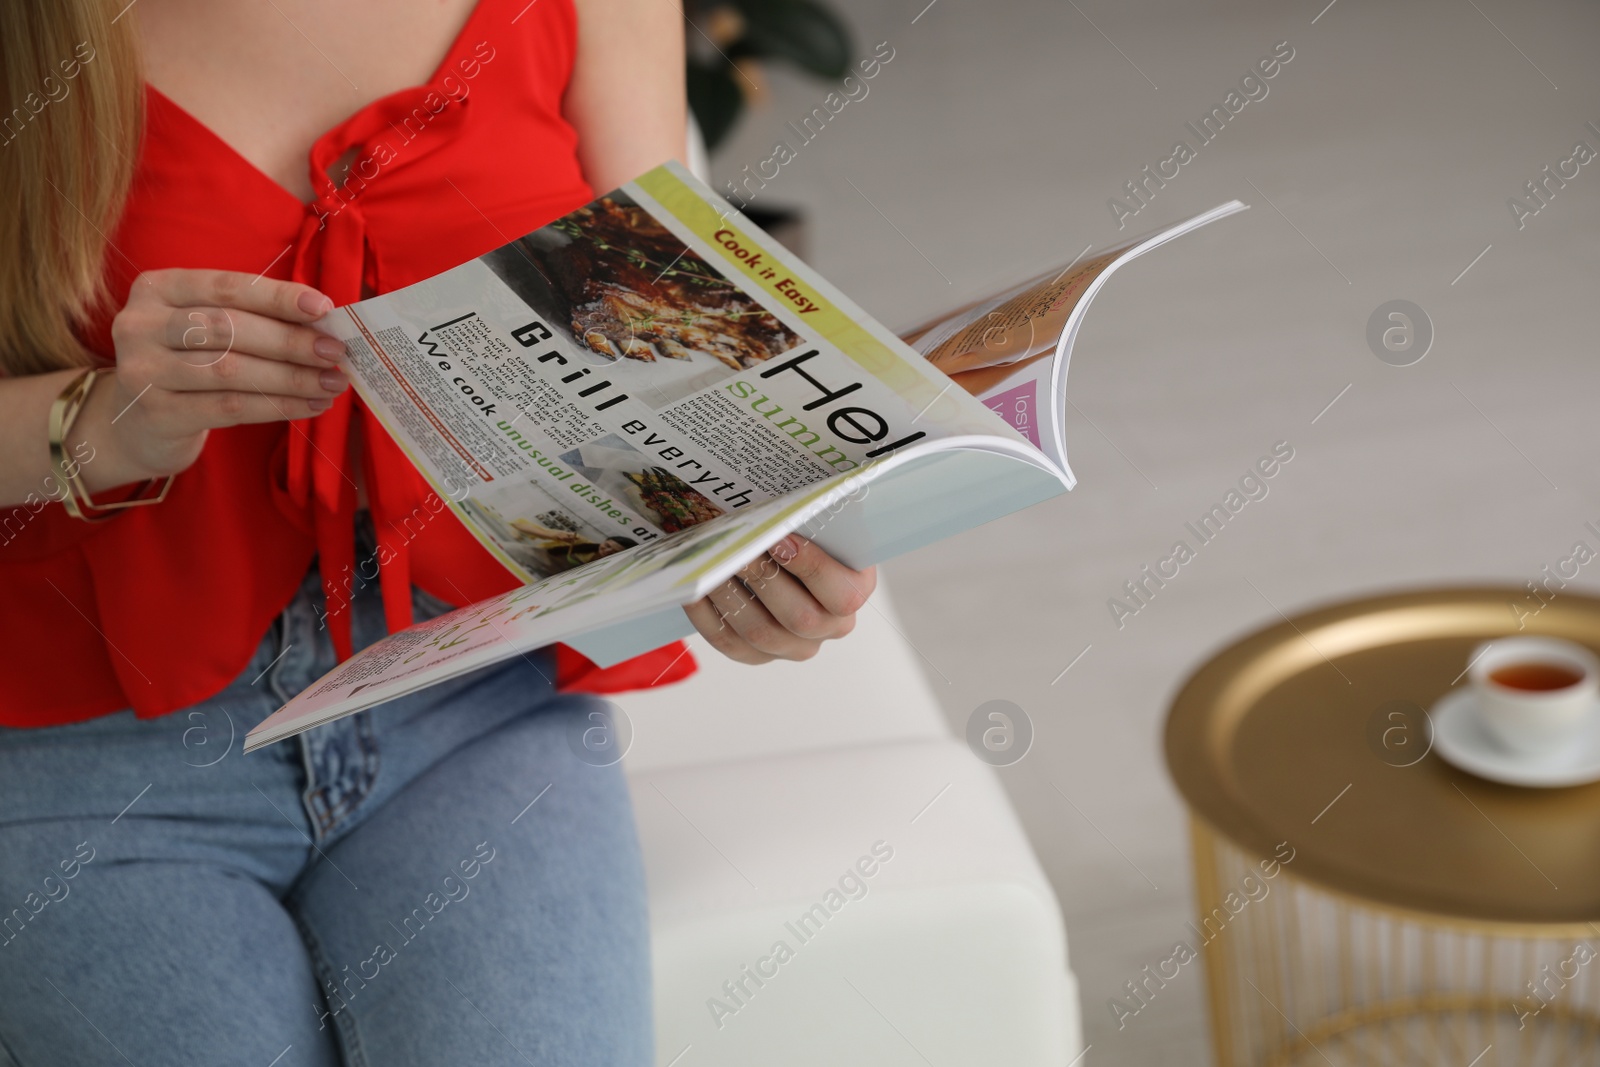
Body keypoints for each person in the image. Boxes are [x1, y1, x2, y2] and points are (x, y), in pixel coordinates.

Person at [0, 1, 876, 1063]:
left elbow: (673, 368)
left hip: (472, 689)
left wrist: (748, 554)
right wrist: (95, 420)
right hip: (76, 747)